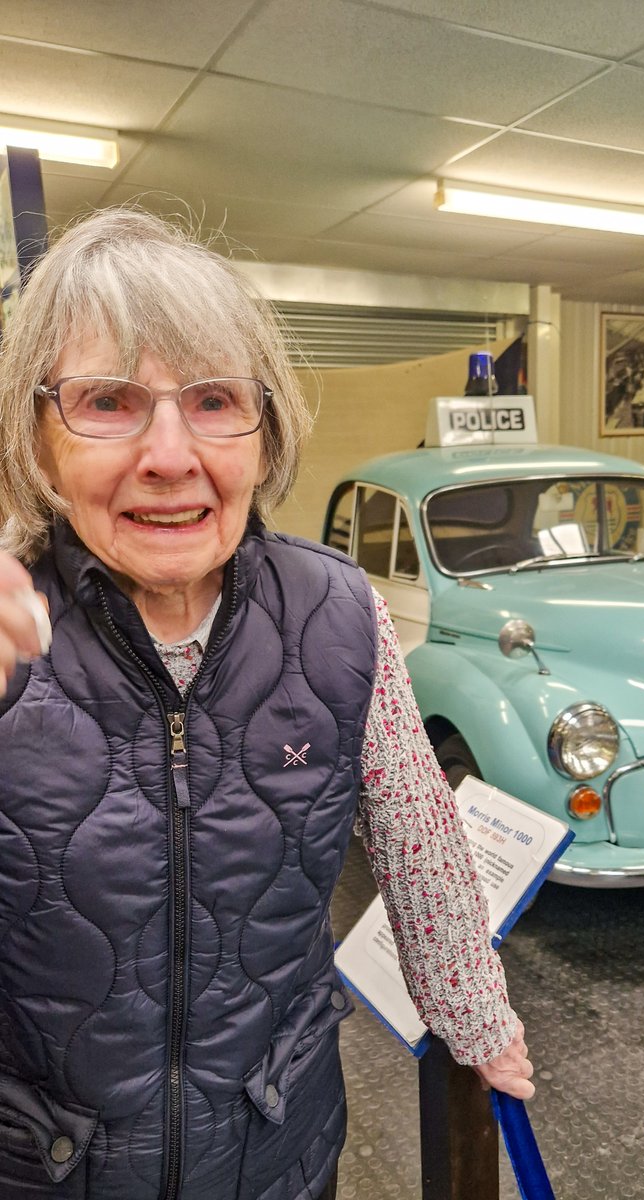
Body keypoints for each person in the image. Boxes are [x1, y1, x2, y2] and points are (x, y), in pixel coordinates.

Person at [0, 208, 533, 1200]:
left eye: (213, 399)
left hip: (277, 1147)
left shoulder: (342, 612)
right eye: (108, 400)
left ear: (266, 428)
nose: (170, 455)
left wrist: (477, 1021)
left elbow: (420, 843)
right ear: (37, 439)